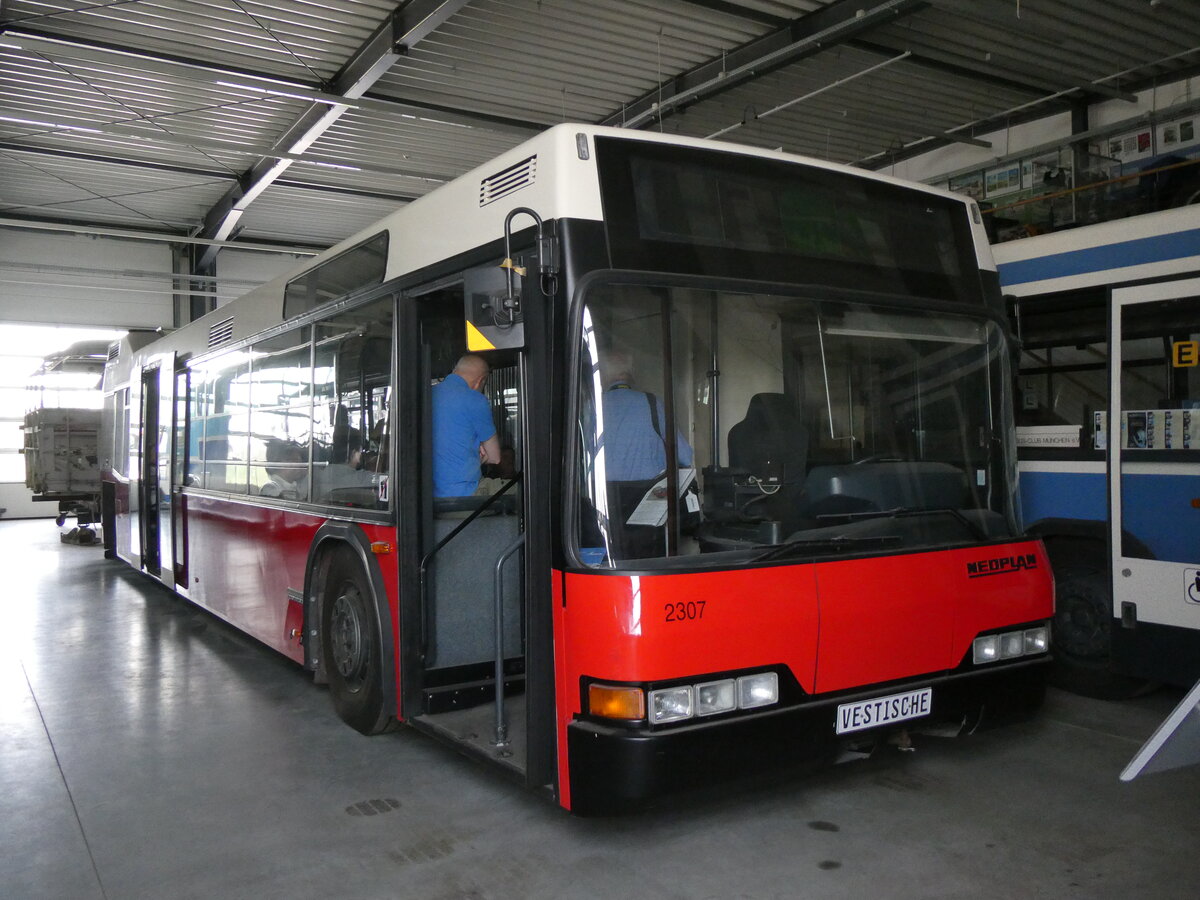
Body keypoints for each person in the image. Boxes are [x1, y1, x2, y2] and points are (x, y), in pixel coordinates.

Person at [599, 349, 692, 481]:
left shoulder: (595, 408)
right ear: (631, 374)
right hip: (649, 496)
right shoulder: (652, 403)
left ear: (603, 376)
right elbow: (685, 456)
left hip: (603, 497)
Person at [432, 353, 501, 497]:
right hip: (465, 498)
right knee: (526, 490)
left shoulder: (428, 395)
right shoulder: (475, 399)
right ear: (480, 381)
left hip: (430, 500)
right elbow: (495, 458)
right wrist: (478, 451)